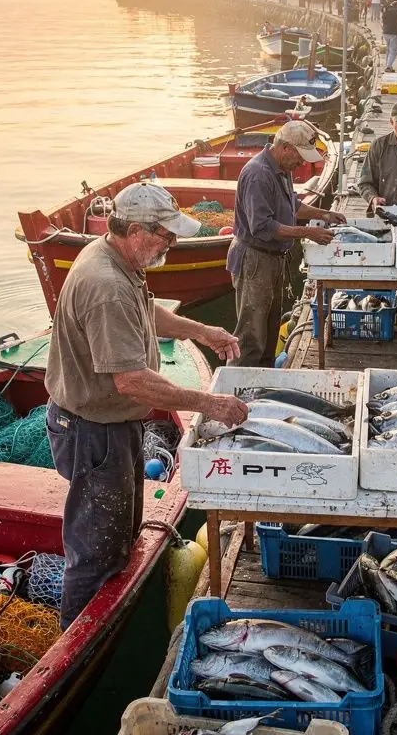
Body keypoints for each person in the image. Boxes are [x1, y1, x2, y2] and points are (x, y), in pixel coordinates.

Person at [45, 182, 248, 629]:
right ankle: (75, 642)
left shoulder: (115, 257)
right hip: (91, 429)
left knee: (117, 533)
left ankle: (110, 610)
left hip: (110, 422)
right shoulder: (106, 284)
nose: (171, 245)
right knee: (94, 550)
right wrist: (208, 402)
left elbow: (148, 310)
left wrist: (202, 331)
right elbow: (131, 380)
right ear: (136, 230)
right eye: (165, 236)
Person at [227, 120, 346, 366]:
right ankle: (237, 392)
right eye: (300, 156)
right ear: (285, 148)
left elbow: (292, 204)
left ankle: (263, 384)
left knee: (269, 330)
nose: (302, 163)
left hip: (273, 259)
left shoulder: (282, 170)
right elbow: (261, 227)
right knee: (251, 335)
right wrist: (307, 233)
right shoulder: (258, 174)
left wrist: (323, 215)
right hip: (255, 260)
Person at [382, 0, 397, 72]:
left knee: (388, 50)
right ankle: (388, 67)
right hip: (394, 34)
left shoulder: (386, 12)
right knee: (394, 50)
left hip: (386, 33)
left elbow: (382, 22)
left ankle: (389, 65)